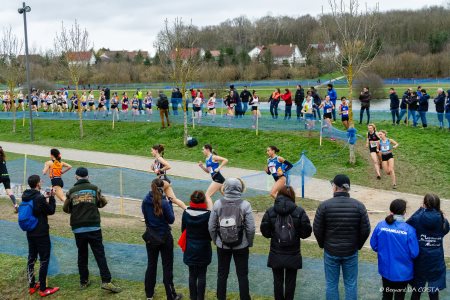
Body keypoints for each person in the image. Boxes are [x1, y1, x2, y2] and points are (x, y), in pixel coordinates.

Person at [63, 167, 121, 293]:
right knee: (99, 254)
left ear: (76, 176)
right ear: (88, 177)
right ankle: (106, 281)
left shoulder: (71, 191)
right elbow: (103, 203)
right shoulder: (95, 188)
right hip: (94, 226)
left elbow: (65, 209)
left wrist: (76, 209)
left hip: (78, 228)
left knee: (82, 254)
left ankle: (84, 281)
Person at [313, 174, 371, 300]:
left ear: (335, 187)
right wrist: (357, 245)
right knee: (351, 284)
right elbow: (365, 230)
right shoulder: (359, 206)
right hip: (350, 251)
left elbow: (317, 229)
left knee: (331, 284)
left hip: (331, 250)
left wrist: (324, 244)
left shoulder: (324, 206)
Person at [260, 186, 312, 300]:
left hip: (276, 251)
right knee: (291, 282)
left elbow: (264, 230)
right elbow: (306, 232)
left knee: (277, 281)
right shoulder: (299, 211)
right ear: (292, 196)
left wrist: (273, 235)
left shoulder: (271, 211)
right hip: (293, 252)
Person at [208, 178, 255, 300]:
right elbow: (251, 228)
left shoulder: (218, 203)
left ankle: (221, 297)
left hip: (222, 245)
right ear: (240, 188)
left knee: (222, 274)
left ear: (225, 187)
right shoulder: (245, 205)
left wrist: (216, 241)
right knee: (242, 275)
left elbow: (211, 226)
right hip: (241, 245)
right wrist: (249, 242)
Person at [142, 178, 183, 300]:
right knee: (167, 267)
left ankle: (149, 294)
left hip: (151, 237)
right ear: (162, 188)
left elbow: (145, 216)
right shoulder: (164, 203)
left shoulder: (145, 200)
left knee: (151, 265)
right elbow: (171, 220)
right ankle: (171, 295)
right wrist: (169, 203)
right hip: (164, 237)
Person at [370, 199, 419, 300]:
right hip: (402, 273)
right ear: (404, 212)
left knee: (386, 295)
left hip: (385, 270)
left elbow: (374, 245)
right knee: (399, 297)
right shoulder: (409, 230)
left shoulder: (381, 225)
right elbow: (414, 253)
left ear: (390, 210)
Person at [21, 175, 59, 297]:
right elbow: (51, 210)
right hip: (41, 232)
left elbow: (36, 207)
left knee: (31, 258)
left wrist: (44, 197)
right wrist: (52, 197)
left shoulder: (26, 196)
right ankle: (43, 288)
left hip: (30, 231)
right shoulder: (38, 198)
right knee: (44, 259)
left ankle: (32, 285)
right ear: (38, 184)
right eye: (40, 181)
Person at [407, 194, 449, 300]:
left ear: (424, 204)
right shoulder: (443, 220)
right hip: (436, 260)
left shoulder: (417, 218)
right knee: (434, 291)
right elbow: (445, 230)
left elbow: (408, 225)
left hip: (420, 258)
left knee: (417, 290)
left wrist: (420, 210)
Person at [181, 190, 213, 300]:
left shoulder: (186, 212)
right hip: (204, 248)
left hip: (190, 248)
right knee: (202, 275)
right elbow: (210, 234)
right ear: (203, 200)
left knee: (192, 275)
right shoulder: (208, 214)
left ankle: (193, 298)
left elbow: (183, 230)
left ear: (191, 200)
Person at [150, 144, 187, 210]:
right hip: (164, 180)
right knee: (173, 200)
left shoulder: (159, 158)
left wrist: (159, 170)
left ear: (156, 151)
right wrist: (153, 167)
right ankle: (188, 210)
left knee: (154, 197)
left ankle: (151, 215)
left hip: (162, 180)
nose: (151, 152)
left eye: (152, 150)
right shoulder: (156, 160)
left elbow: (168, 166)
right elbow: (155, 170)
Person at [0, 146, 18, 212]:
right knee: (9, 192)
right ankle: (16, 204)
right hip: (6, 176)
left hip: (1, 176)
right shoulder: (3, 158)